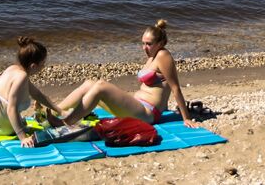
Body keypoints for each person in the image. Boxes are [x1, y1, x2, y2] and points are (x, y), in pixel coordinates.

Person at [54, 19, 200, 128]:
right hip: (137, 106)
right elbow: (160, 88)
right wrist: (165, 106)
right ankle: (56, 111)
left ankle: (66, 122)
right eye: (143, 43)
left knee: (100, 85)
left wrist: (185, 118)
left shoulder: (163, 55)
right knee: (89, 84)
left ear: (161, 43)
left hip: (147, 113)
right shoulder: (151, 56)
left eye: (149, 44)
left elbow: (175, 88)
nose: (145, 47)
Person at [0, 36, 66, 146]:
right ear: (33, 66)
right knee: (18, 118)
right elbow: (11, 109)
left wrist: (60, 110)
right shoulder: (22, 77)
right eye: (43, 64)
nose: (44, 66)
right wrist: (22, 137)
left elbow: (37, 95)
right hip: (1, 129)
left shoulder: (12, 69)